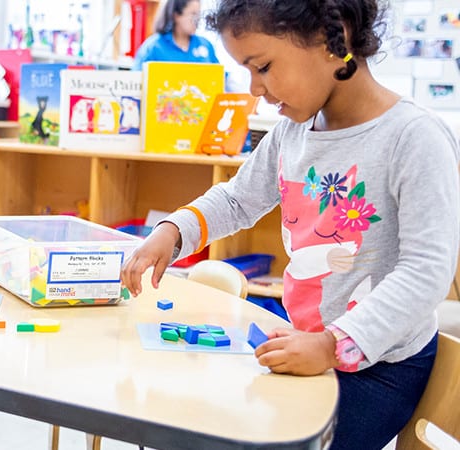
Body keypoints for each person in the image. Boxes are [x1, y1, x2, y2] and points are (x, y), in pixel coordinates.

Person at [121, 1, 459, 448]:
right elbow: (239, 199)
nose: (255, 89)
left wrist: (332, 345)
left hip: (380, 368)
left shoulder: (414, 138)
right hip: (308, 348)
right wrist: (175, 230)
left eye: (262, 67)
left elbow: (426, 272)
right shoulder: (293, 131)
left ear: (331, 37)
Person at [131, 0, 219, 70]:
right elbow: (136, 81)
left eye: (199, 15)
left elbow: (220, 77)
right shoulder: (153, 47)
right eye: (193, 14)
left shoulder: (205, 45)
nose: (197, 20)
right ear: (176, 15)